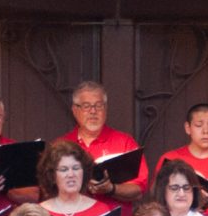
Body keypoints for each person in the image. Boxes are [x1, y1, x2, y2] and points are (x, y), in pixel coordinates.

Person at [62, 80, 146, 208]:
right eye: (86, 106)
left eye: (98, 105)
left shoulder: (125, 143)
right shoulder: (61, 146)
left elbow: (139, 190)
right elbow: (48, 189)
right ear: (75, 110)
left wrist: (111, 189)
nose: (93, 111)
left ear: (105, 109)